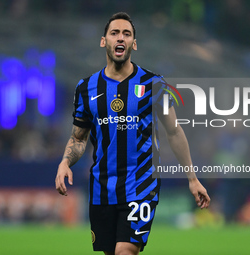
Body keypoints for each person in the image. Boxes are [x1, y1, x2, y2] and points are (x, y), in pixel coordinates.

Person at [55, 12, 210, 255]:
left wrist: (192, 178)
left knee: (125, 251)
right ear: (103, 41)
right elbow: (78, 137)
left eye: (126, 34)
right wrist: (65, 162)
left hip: (141, 184)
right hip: (102, 187)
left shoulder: (155, 84)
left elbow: (174, 132)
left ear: (133, 44)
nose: (121, 38)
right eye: (114, 33)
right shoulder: (86, 89)